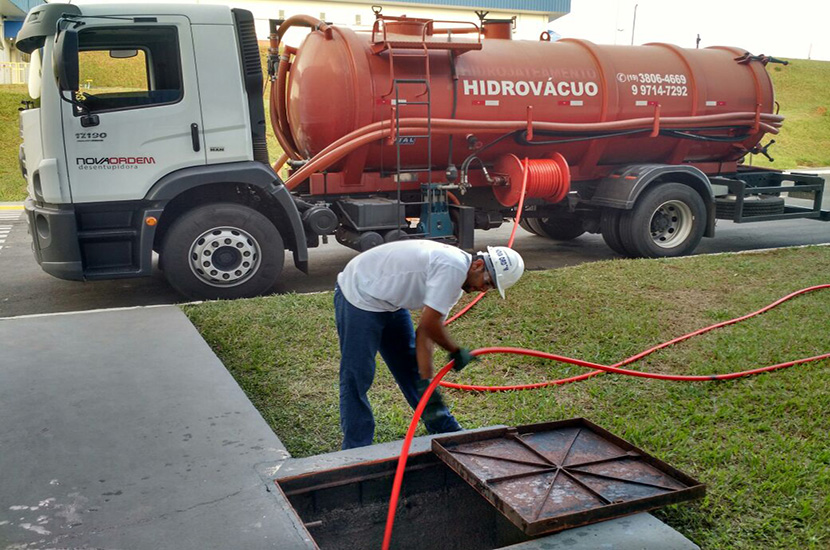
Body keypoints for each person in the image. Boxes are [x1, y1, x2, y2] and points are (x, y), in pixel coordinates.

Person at [334, 240, 525, 449]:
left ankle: (445, 430)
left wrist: (426, 379)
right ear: (478, 265)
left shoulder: (456, 284)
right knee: (357, 373)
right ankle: (355, 448)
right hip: (361, 292)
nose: (482, 289)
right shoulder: (452, 266)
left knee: (411, 367)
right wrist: (455, 350)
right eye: (486, 282)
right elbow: (430, 324)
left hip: (389, 301)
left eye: (490, 288)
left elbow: (425, 332)